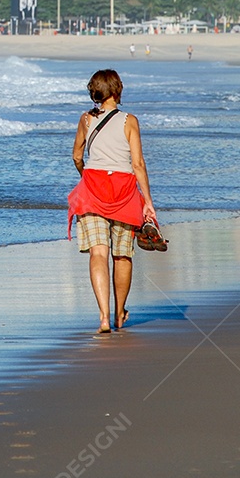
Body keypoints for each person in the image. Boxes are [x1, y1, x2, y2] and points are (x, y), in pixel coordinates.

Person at [68, 68, 157, 336]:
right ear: (117, 91)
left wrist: (87, 177)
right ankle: (120, 313)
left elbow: (76, 156)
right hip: (124, 190)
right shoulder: (130, 120)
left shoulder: (85, 119)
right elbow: (138, 164)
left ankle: (104, 318)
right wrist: (148, 201)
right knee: (122, 254)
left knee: (98, 253)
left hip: (92, 189)